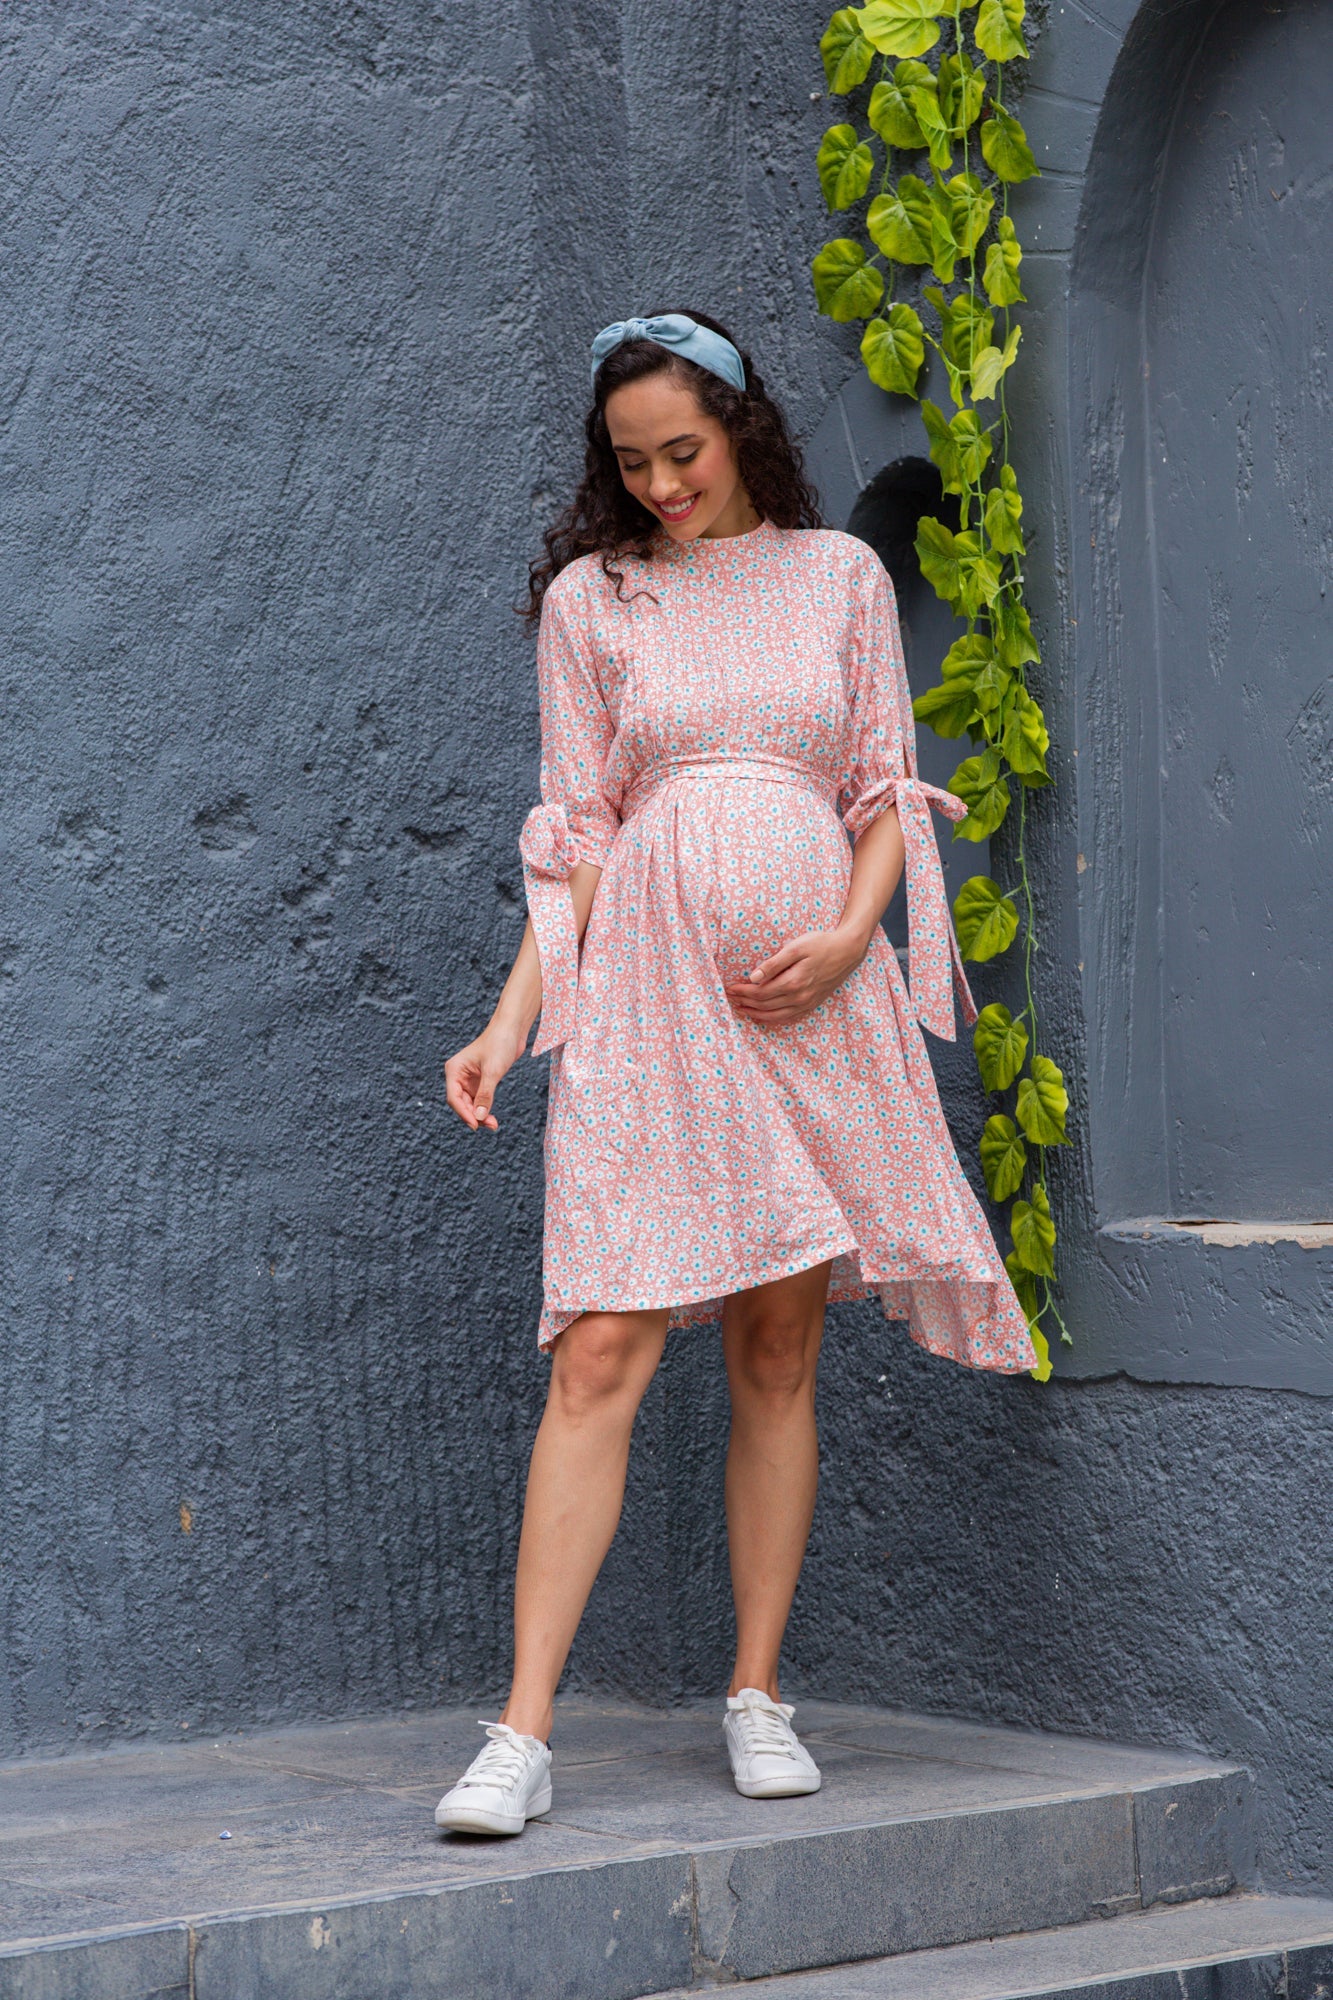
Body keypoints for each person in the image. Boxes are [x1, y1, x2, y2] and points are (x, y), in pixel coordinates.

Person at [435, 310, 1038, 1838]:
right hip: (647, 1000)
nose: (660, 485)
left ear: (740, 427)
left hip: (807, 1006)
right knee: (597, 1351)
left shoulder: (837, 577)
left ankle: (756, 1693)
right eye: (632, 462)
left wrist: (848, 940)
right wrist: (508, 1024)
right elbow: (575, 835)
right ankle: (519, 1733)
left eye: (683, 452)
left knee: (776, 1349)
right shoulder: (593, 598)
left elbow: (880, 788)